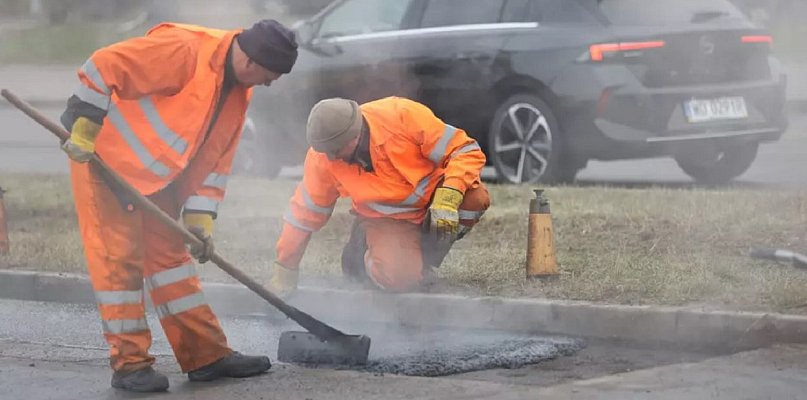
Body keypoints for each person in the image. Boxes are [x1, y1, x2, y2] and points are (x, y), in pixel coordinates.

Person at [59, 19, 298, 392]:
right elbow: (104, 65)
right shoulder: (184, 51)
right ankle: (130, 365)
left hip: (158, 179)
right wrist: (86, 128)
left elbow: (215, 161)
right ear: (252, 61)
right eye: (268, 77)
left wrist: (200, 221)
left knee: (170, 262)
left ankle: (205, 355)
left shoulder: (238, 92)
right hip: (106, 165)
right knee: (119, 264)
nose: (266, 85)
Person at [268, 97, 490, 296]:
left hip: (435, 203)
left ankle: (422, 263)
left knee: (475, 199)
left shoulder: (402, 116)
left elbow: (465, 151)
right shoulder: (322, 158)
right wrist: (285, 269)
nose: (332, 156)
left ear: (354, 137)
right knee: (400, 279)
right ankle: (362, 257)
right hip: (384, 221)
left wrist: (448, 196)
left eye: (335, 149)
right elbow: (304, 214)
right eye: (326, 151)